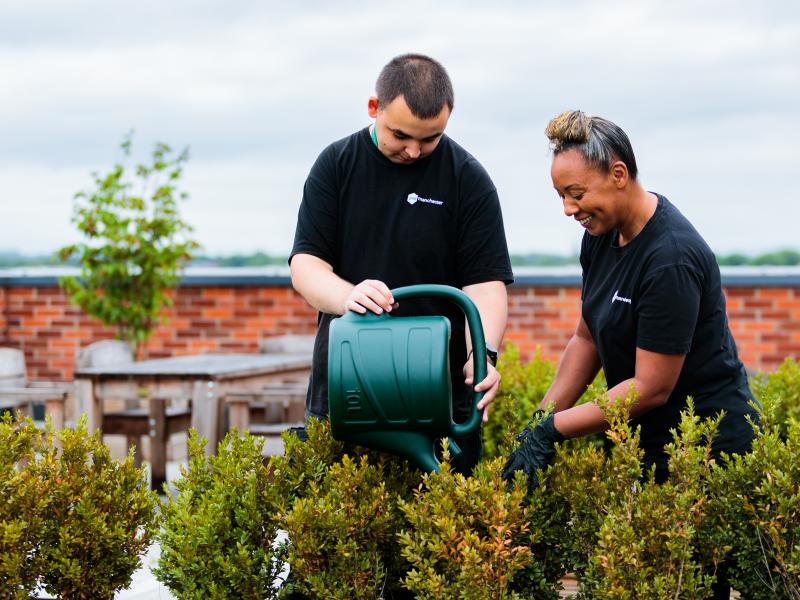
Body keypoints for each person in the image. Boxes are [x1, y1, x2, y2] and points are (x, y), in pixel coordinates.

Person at [502, 110, 758, 600]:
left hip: (705, 450)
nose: (568, 209)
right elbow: (587, 339)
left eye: (576, 194)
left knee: (692, 587)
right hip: (652, 446)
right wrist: (541, 417)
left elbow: (650, 386)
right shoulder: (599, 239)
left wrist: (555, 431)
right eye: (560, 196)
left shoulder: (672, 258)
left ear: (618, 174)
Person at [290, 53, 514, 474]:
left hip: (442, 399)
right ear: (374, 108)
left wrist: (481, 354)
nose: (414, 151)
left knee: (447, 533)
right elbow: (305, 267)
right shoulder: (336, 166)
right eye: (401, 136)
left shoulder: (468, 178)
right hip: (345, 390)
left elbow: (485, 285)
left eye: (429, 139)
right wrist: (348, 295)